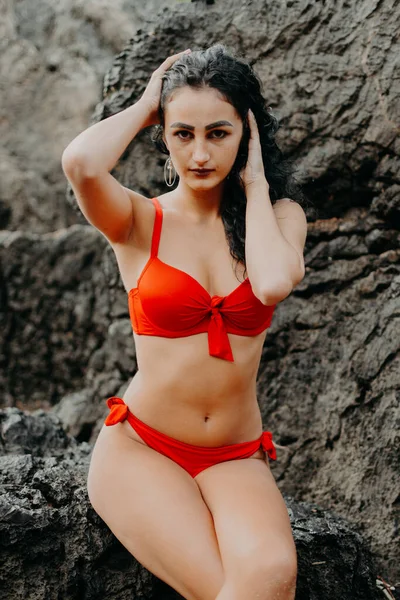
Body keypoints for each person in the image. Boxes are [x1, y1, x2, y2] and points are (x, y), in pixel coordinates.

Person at [62, 43, 308, 600]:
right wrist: (152, 101)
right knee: (228, 589)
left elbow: (270, 284)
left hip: (234, 454)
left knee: (273, 577)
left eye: (218, 133)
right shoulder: (135, 220)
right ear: (165, 136)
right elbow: (80, 163)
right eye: (182, 134)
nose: (199, 153)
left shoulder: (280, 217)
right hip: (143, 448)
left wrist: (256, 186)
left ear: (247, 134)